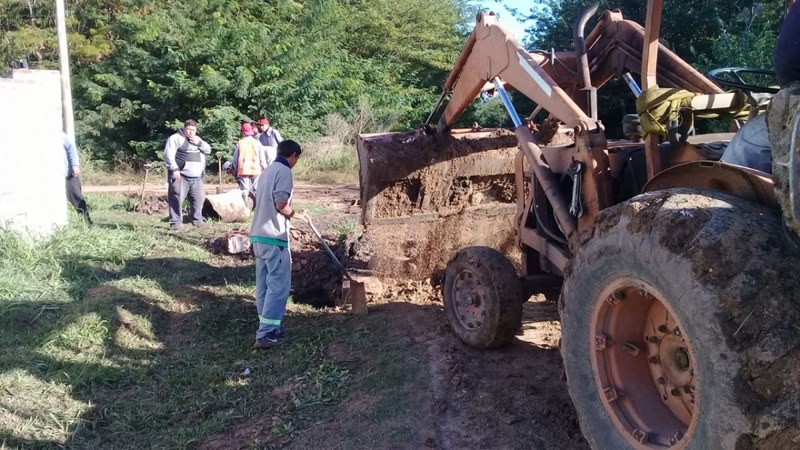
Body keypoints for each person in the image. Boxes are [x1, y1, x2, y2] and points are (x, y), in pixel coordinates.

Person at [250, 139, 305, 348]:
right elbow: (281, 204)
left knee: (264, 285)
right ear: (293, 156)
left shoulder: (267, 171)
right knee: (279, 287)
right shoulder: (284, 171)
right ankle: (266, 334)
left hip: (258, 236)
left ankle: (268, 327)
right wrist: (296, 214)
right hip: (273, 237)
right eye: (296, 159)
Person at [163, 119, 212, 231]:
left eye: (193, 130)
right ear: (184, 128)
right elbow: (168, 155)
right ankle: (176, 224)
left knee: (198, 200)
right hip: (181, 176)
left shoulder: (197, 139)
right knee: (176, 199)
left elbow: (208, 150)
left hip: (196, 177)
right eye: (189, 129)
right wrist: (174, 169)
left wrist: (198, 143)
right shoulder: (175, 138)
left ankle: (197, 221)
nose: (191, 132)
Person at [63, 133, 92, 224]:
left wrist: (75, 165)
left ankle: (86, 221)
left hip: (68, 174)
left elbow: (71, 149)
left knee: (77, 198)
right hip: (52, 176)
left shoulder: (60, 136)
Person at [232, 123, 266, 196]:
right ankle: (258, 205)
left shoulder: (240, 143)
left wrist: (234, 170)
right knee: (256, 189)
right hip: (256, 169)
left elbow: (235, 159)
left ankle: (246, 205)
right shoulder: (257, 143)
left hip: (243, 170)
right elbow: (262, 159)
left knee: (245, 189)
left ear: (243, 132)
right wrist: (265, 168)